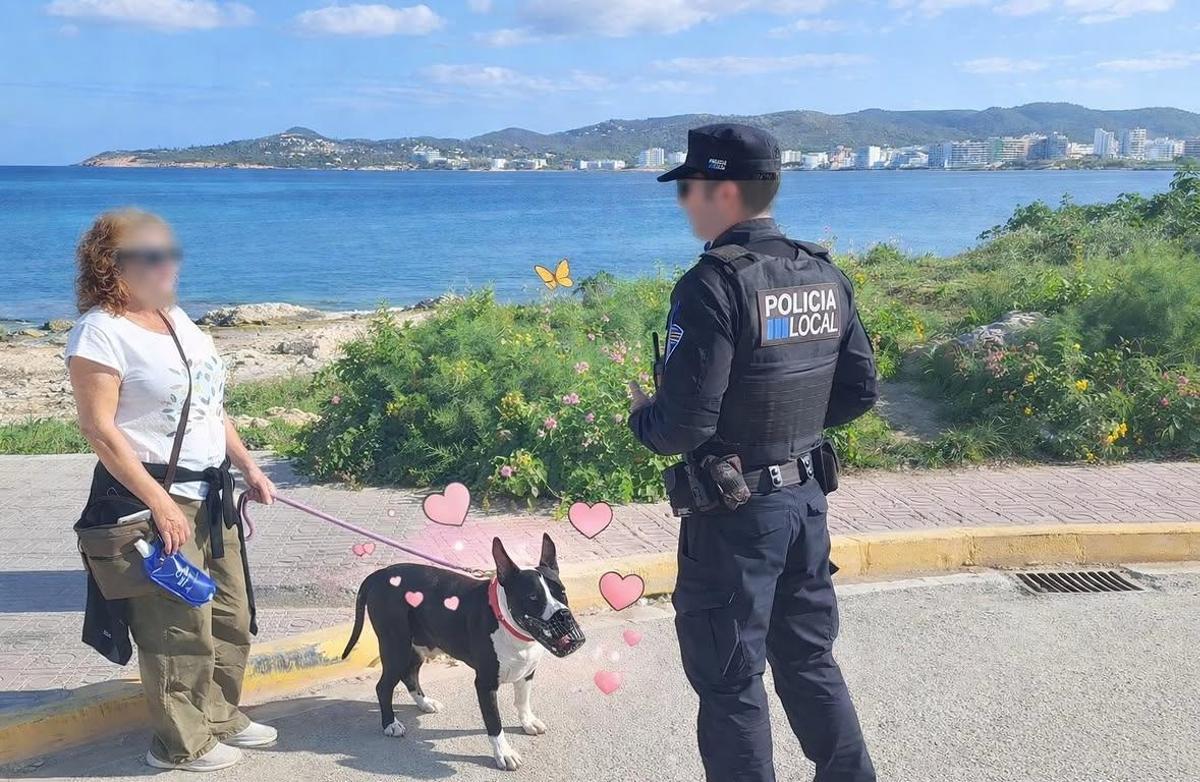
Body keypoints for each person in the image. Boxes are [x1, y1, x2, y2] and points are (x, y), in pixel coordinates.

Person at [627, 124, 879, 782]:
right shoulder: (822, 273)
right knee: (809, 662)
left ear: (725, 191)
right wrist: (787, 439)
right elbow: (859, 391)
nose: (683, 200)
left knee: (731, 682)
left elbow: (683, 425)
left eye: (688, 186)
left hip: (736, 517)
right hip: (805, 505)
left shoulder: (712, 284)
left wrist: (641, 417)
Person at [66, 209, 278, 772]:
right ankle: (180, 742)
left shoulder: (177, 319)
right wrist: (159, 503)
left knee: (230, 613)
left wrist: (248, 466)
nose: (170, 264)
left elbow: (210, 406)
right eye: (153, 255)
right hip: (151, 497)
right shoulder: (99, 332)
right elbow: (99, 429)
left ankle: (217, 713)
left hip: (211, 494)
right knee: (176, 624)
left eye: (171, 252)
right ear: (113, 265)